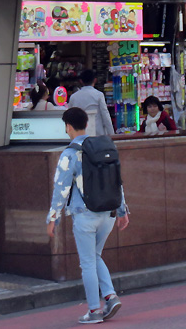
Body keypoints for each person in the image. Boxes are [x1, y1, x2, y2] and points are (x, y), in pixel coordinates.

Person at [47, 107, 129, 324]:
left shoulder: (70, 153)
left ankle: (94, 311)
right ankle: (110, 297)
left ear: (68, 126)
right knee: (95, 256)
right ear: (86, 123)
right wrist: (122, 210)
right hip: (109, 213)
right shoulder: (103, 147)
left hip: (85, 215)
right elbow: (117, 180)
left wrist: (53, 217)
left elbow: (60, 188)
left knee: (87, 263)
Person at [67, 70, 114, 137]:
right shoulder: (99, 95)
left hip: (79, 134)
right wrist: (111, 133)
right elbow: (105, 115)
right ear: (95, 80)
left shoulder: (73, 97)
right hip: (97, 134)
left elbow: (69, 117)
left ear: (81, 81)